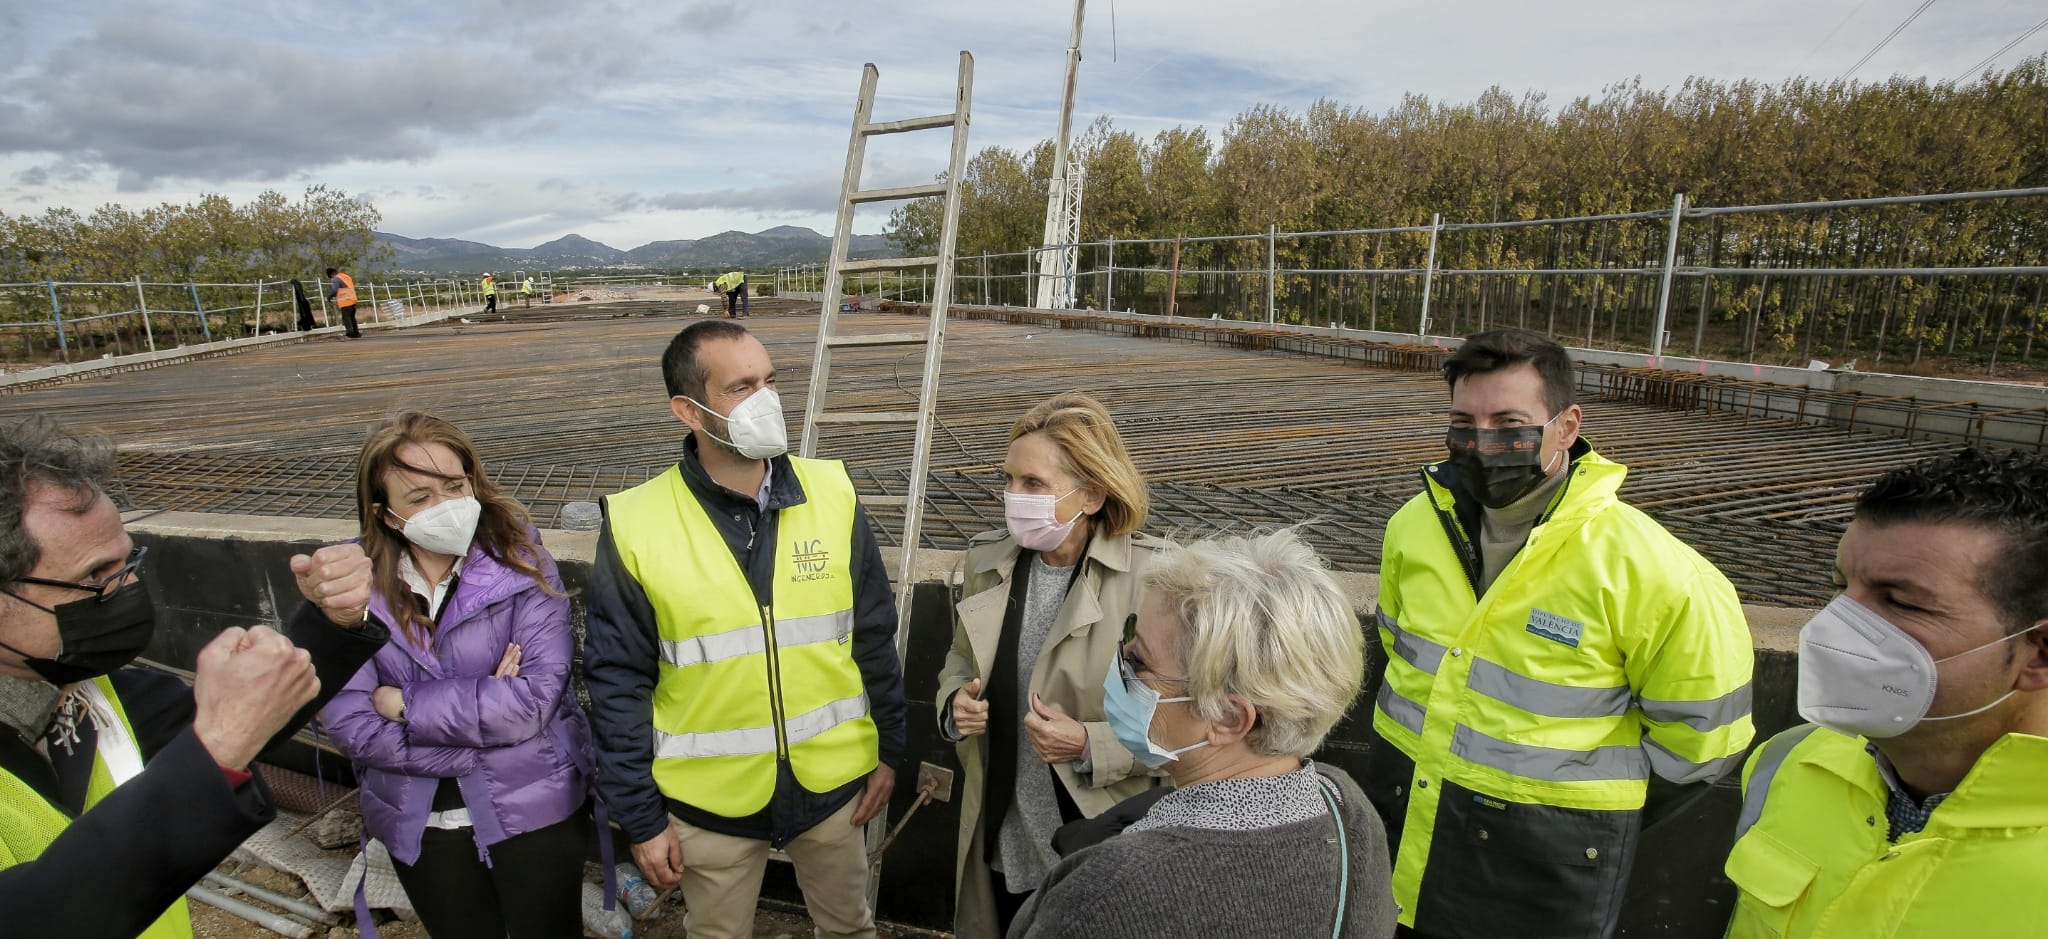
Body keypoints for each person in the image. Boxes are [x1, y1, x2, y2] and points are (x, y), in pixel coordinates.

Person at [1366, 328, 1755, 939]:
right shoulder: (1414, 526)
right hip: (1399, 827)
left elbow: (1702, 744)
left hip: (1544, 873)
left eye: (1509, 421)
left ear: (1567, 427)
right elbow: (1402, 655)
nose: (1483, 442)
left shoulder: (1655, 571)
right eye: (1463, 422)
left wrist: (1574, 818)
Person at [0, 415, 386, 938]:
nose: (130, 587)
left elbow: (227, 731)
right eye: (94, 576)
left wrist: (330, 625)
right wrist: (219, 742)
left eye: (126, 561)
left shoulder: (78, 689)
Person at [584, 319, 906, 939]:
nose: (767, 400)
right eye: (741, 387)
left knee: (850, 928)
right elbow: (617, 680)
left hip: (836, 789)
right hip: (710, 807)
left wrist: (889, 749)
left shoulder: (832, 494)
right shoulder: (636, 523)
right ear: (689, 410)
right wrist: (643, 819)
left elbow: (872, 634)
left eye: (771, 381)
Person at [1008, 529, 1397, 938]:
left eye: (1139, 660)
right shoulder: (1346, 807)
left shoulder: (1110, 892)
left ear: (1229, 717)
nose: (1119, 660)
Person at [1723, 448, 2048, 939]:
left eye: (1898, 601)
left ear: (2038, 653)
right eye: (1840, 589)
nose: (1834, 629)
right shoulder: (1788, 762)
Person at [317, 412, 592, 939]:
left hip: (533, 809)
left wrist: (402, 705)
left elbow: (532, 702)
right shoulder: (353, 586)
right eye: (419, 498)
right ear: (387, 514)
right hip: (420, 820)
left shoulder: (522, 561)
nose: (445, 506)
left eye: (454, 485)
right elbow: (351, 725)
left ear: (473, 481)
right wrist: (483, 726)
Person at [936, 392, 1170, 938]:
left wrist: (1090, 745)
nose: (1013, 497)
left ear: (1090, 494)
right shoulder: (986, 562)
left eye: (1034, 484)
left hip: (1097, 831)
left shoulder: (1156, 580)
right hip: (1003, 827)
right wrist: (955, 703)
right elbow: (957, 659)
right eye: (1010, 480)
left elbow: (1186, 726)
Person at [326, 266, 361, 338]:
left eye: (331, 277)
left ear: (332, 274)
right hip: (353, 300)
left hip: (345, 302)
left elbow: (334, 290)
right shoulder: (346, 276)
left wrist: (329, 297)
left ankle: (350, 333)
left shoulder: (336, 279)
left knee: (346, 318)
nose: (331, 278)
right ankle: (356, 333)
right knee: (352, 317)